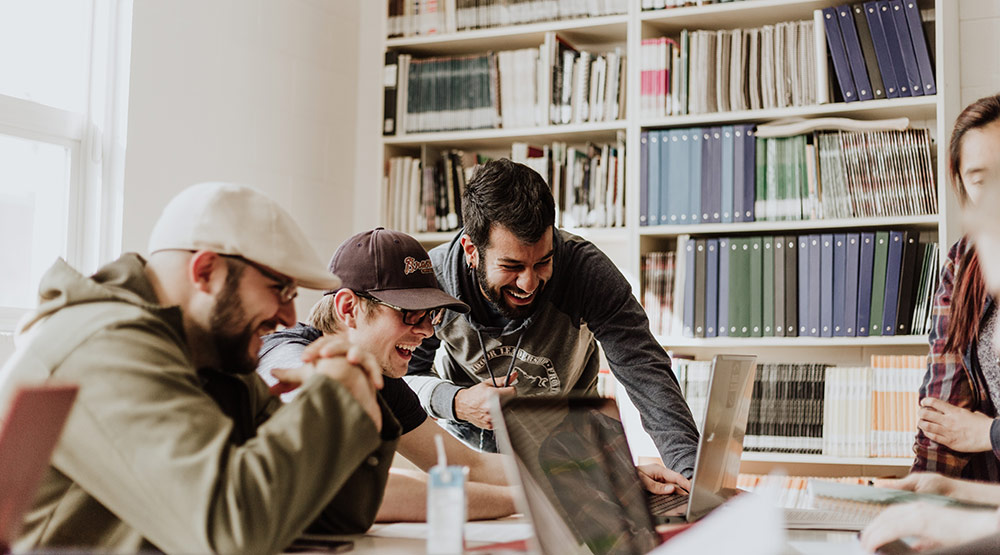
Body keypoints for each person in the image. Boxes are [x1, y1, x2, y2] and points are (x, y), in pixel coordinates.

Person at [0, 183, 399, 553]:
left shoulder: (212, 357)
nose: (289, 316)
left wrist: (358, 397)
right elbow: (229, 532)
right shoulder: (104, 347)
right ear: (206, 271)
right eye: (280, 289)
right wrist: (333, 398)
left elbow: (330, 517)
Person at [404, 158, 699, 487]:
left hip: (573, 453)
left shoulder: (586, 271)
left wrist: (692, 481)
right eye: (512, 266)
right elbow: (404, 378)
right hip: (475, 459)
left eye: (543, 261)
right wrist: (456, 402)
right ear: (471, 250)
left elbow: (646, 373)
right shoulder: (434, 279)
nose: (529, 283)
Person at [257, 227, 518, 521]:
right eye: (410, 313)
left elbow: (466, 465)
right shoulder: (285, 357)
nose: (427, 331)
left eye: (430, 315)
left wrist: (561, 477)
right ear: (348, 308)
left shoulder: (380, 378)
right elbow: (353, 489)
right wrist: (526, 501)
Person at [913, 93, 1000, 482]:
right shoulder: (964, 262)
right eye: (981, 180)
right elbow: (942, 412)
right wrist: (923, 489)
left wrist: (987, 433)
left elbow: (972, 431)